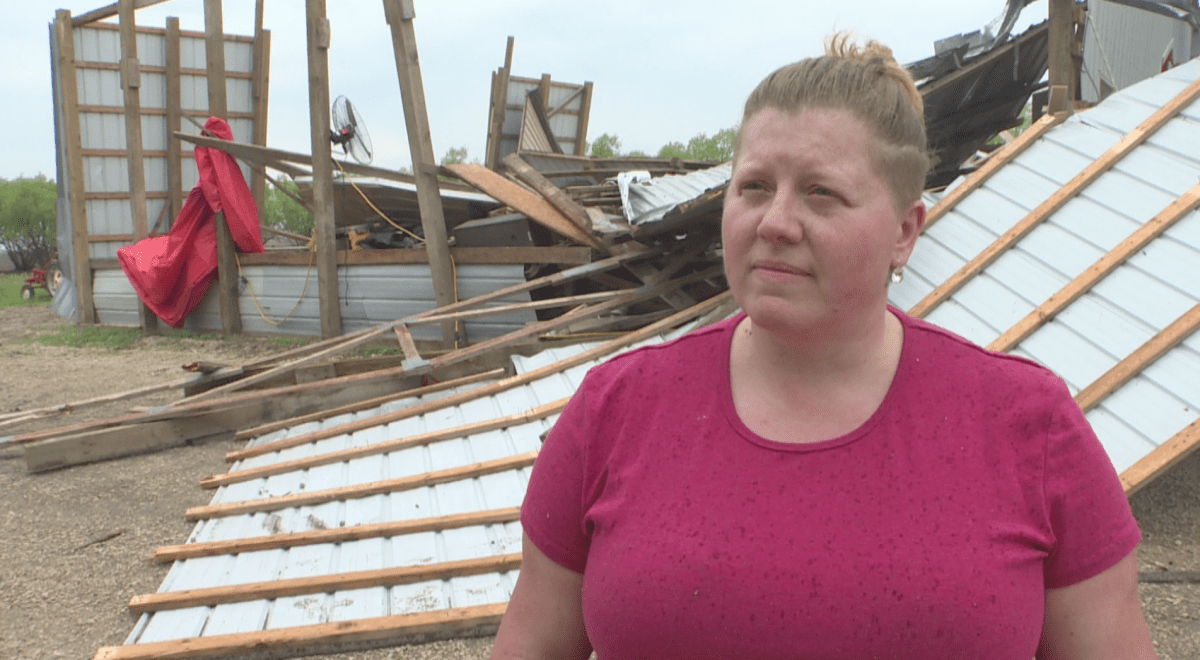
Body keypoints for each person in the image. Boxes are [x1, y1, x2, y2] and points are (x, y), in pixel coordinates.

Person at [490, 35, 1157, 660]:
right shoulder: (616, 409)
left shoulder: (1026, 424)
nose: (776, 222)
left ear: (904, 230)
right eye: (754, 187)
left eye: (821, 194)